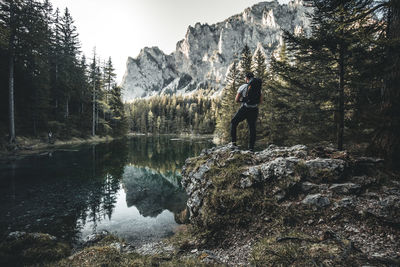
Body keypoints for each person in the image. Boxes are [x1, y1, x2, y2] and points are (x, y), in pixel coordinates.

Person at [230, 72, 262, 151]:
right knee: (252, 127)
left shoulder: (243, 87)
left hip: (245, 108)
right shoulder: (258, 88)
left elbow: (236, 100)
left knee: (234, 122)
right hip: (254, 110)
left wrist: (244, 100)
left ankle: (233, 143)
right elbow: (260, 101)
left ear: (247, 78)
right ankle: (251, 148)